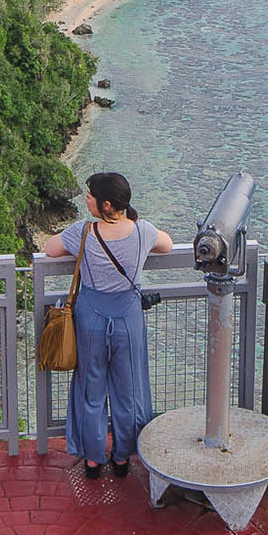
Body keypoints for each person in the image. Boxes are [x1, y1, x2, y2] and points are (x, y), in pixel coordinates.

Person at [40, 172, 174, 478]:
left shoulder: (83, 232)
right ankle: (124, 455)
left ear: (106, 205)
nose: (85, 199)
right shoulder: (143, 231)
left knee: (91, 387)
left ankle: (93, 458)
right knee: (128, 388)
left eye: (89, 195)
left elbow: (50, 249)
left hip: (91, 318)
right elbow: (166, 245)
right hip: (128, 316)